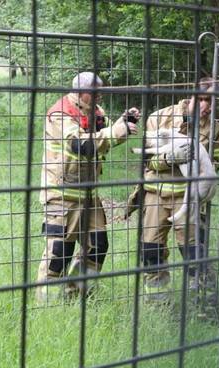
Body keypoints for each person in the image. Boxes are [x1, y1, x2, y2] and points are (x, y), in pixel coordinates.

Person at [36, 71, 140, 303]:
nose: (100, 97)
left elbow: (106, 136)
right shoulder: (59, 113)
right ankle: (47, 305)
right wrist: (115, 133)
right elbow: (80, 144)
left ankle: (75, 295)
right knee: (58, 255)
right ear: (81, 92)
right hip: (61, 194)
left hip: (89, 195)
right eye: (96, 92)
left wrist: (125, 122)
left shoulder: (97, 112)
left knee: (97, 246)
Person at [130, 77, 219, 304]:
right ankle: (158, 302)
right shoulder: (160, 117)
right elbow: (146, 159)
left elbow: (212, 167)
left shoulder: (215, 130)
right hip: (155, 193)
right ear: (192, 95)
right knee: (151, 250)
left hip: (188, 198)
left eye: (212, 102)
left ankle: (206, 301)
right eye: (203, 100)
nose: (208, 107)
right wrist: (169, 158)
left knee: (194, 253)